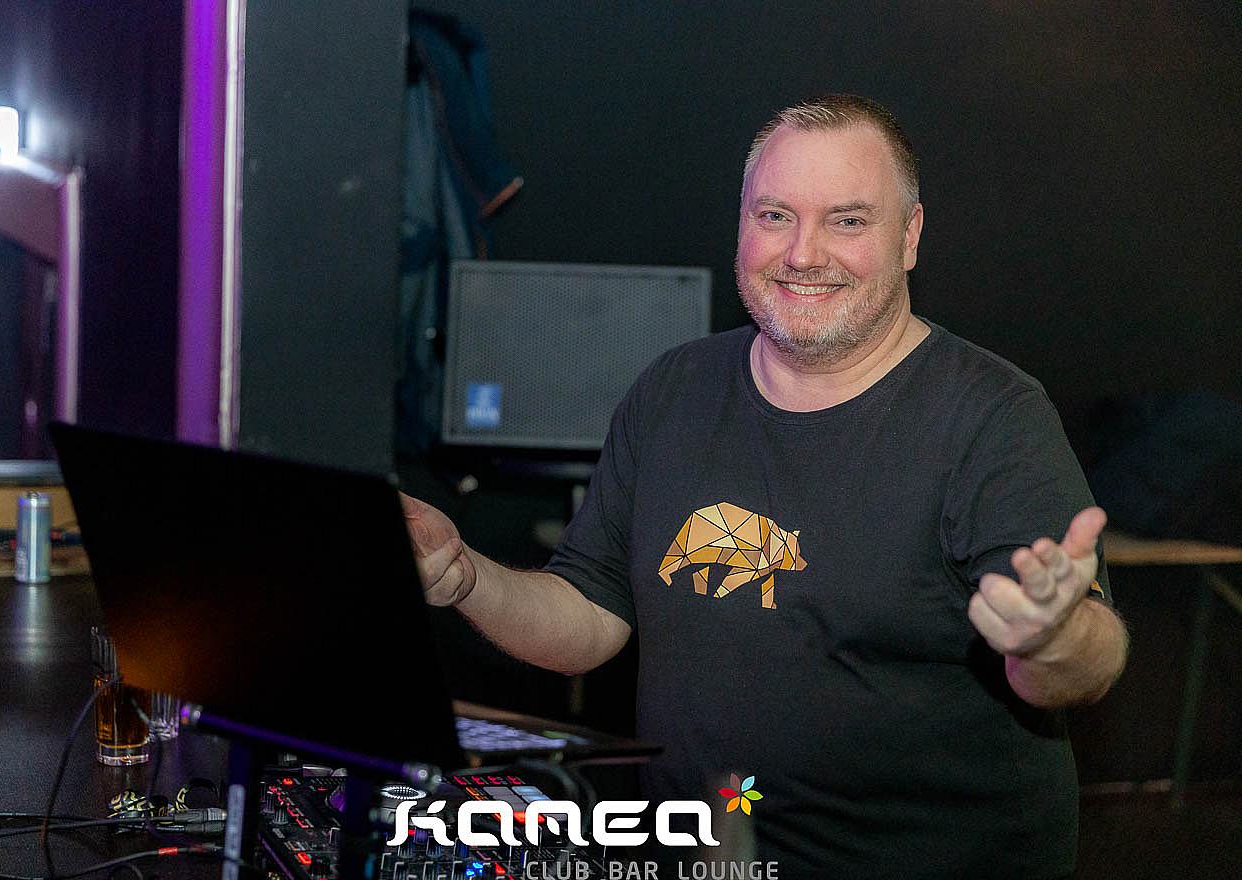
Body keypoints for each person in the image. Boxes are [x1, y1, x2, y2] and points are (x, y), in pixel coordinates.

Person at [402, 94, 1127, 879]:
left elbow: (1090, 656)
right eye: (775, 215)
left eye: (848, 220)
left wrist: (1051, 638)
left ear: (910, 235)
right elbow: (587, 617)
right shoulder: (673, 390)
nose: (804, 253)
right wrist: (465, 578)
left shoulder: (990, 417)